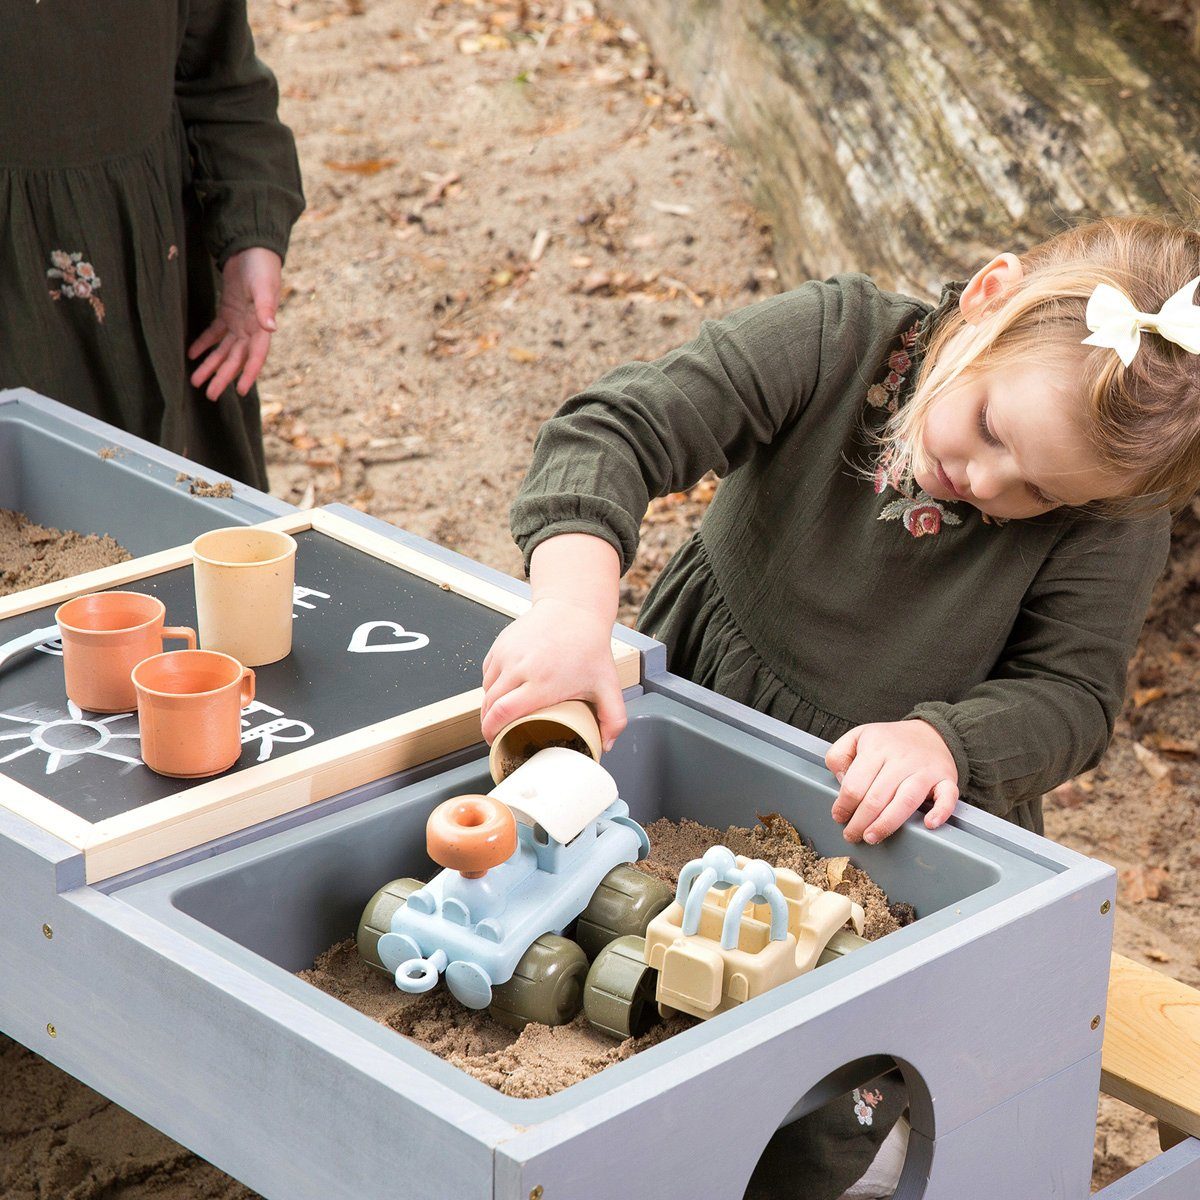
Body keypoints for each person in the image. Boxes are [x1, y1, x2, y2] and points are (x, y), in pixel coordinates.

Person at [479, 214, 1200, 1198]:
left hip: (885, 815)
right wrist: (571, 610)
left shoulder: (1108, 518)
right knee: (631, 969)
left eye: (1036, 489)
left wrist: (948, 740)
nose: (985, 481)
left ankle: (857, 1154)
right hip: (709, 722)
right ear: (986, 297)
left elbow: (1071, 695)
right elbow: (616, 428)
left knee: (820, 1072)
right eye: (989, 429)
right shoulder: (836, 341)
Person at [0, 1, 305, 490]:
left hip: (154, 285)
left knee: (177, 528)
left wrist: (250, 233)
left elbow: (217, 77)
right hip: (16, 326)